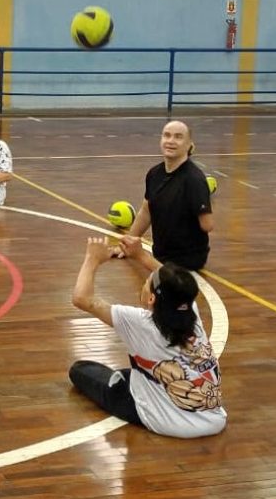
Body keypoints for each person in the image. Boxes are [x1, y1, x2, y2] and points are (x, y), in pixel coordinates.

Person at [68, 235, 226, 438]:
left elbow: (82, 299)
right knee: (135, 373)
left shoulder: (139, 322)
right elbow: (174, 283)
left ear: (151, 298)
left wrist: (92, 259)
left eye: (146, 282)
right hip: (214, 420)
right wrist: (140, 255)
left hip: (168, 423)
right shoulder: (189, 310)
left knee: (81, 370)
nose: (145, 282)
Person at [124, 120, 213, 271]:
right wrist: (127, 243)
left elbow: (207, 224)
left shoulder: (194, 180)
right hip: (160, 255)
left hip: (187, 261)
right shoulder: (154, 173)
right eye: (167, 135)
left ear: (189, 144)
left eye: (178, 137)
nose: (171, 141)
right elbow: (146, 212)